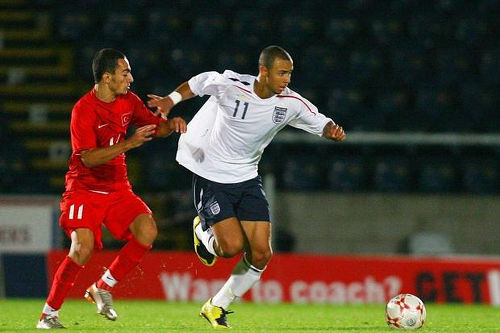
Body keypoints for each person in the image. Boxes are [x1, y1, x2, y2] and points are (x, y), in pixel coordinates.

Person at [147, 45, 346, 329]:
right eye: (281, 73)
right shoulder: (233, 85)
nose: (286, 79)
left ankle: (216, 306)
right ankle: (201, 231)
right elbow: (202, 81)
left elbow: (318, 119)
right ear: (263, 71)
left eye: (289, 73)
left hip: (247, 178)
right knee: (230, 249)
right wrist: (170, 100)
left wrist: (331, 130)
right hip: (212, 175)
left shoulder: (289, 102)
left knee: (262, 253)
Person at [36, 48, 186, 329]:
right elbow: (88, 158)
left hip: (118, 187)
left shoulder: (129, 101)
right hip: (84, 187)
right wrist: (129, 144)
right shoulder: (83, 110)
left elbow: (155, 126)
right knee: (82, 248)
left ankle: (102, 286)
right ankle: (48, 315)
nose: (131, 78)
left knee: (148, 230)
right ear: (107, 78)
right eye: (125, 73)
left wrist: (170, 125)